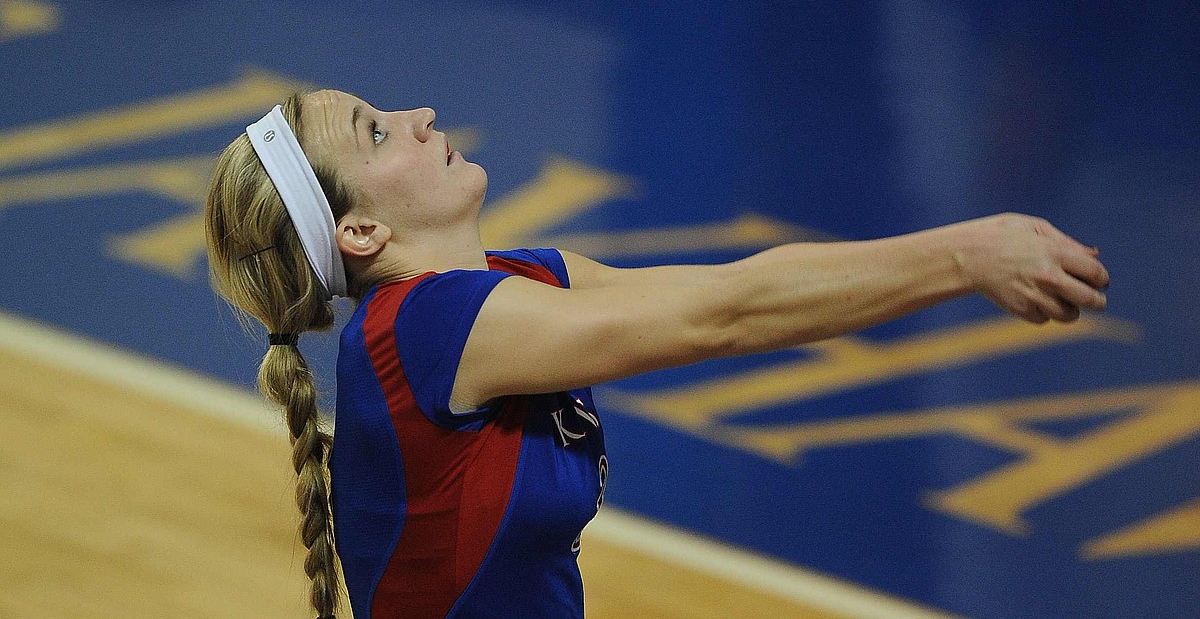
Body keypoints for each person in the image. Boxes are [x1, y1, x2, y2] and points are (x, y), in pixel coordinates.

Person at [204, 88, 1109, 619]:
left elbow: (740, 289)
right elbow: (726, 318)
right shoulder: (423, 331)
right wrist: (968, 255)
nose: (416, 114)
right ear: (360, 229)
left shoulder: (508, 286)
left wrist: (966, 256)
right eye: (374, 131)